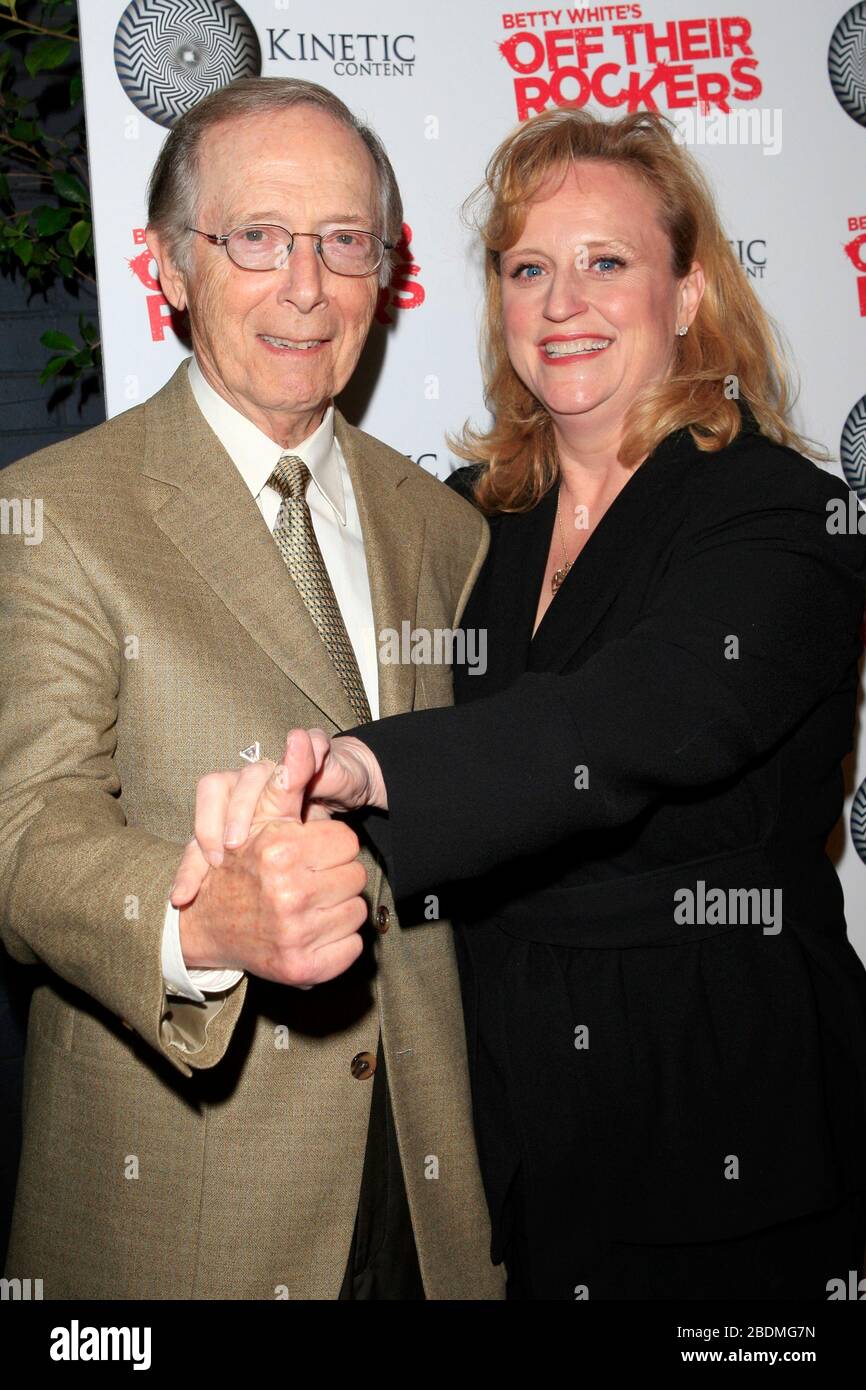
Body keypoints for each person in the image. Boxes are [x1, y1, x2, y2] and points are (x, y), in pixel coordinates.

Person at [179, 108, 866, 1300]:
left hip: (716, 1102)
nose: (562, 302)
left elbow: (645, 713)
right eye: (527, 268)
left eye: (606, 263)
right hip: (499, 1113)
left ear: (689, 291)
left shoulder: (780, 513)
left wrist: (369, 768)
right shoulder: (469, 521)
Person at [0, 77, 504, 1301]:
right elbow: (26, 835)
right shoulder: (59, 515)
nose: (305, 285)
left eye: (343, 242)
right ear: (171, 264)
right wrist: (200, 922)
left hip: (435, 1195)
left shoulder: (445, 529)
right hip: (186, 1205)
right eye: (257, 238)